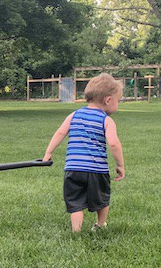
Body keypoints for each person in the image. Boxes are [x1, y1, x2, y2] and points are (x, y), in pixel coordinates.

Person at [43, 73, 125, 232]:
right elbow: (114, 143)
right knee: (102, 199)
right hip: (97, 171)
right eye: (118, 101)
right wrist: (120, 165)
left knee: (75, 202)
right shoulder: (106, 120)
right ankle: (100, 225)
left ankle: (76, 231)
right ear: (108, 100)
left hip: (73, 169)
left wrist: (48, 153)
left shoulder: (74, 115)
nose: (118, 105)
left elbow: (60, 133)